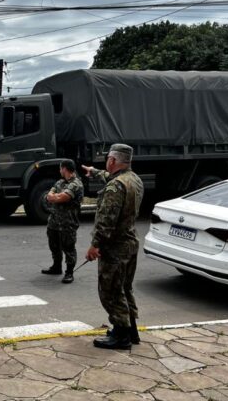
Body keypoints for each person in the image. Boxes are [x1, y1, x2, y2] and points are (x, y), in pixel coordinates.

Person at [82, 144, 144, 350]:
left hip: (115, 247)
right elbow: (111, 178)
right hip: (130, 243)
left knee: (111, 291)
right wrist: (93, 171)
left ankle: (121, 335)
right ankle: (131, 330)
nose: (106, 162)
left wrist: (95, 245)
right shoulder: (134, 179)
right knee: (125, 288)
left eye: (108, 159)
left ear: (112, 161)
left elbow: (106, 220)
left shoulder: (115, 187)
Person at [42, 159, 84, 283]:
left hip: (68, 222)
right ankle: (56, 267)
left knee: (68, 247)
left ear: (64, 169)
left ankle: (69, 272)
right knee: (53, 244)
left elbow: (63, 197)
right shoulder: (60, 182)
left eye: (61, 168)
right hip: (54, 221)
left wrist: (53, 197)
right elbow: (49, 194)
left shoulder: (76, 184)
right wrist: (53, 197)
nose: (60, 171)